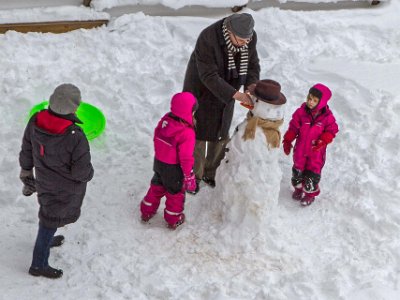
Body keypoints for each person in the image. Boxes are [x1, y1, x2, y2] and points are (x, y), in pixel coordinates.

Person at [19, 84, 94, 278]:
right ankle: (38, 264)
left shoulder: (36, 120)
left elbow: (27, 147)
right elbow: (81, 171)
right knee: (49, 220)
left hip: (44, 182)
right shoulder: (75, 136)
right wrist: (89, 174)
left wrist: (26, 170)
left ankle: (46, 239)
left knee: (48, 213)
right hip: (66, 188)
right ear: (74, 108)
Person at [183, 13, 260, 194]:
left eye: (246, 40)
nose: (243, 44)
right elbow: (208, 75)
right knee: (199, 132)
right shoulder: (208, 37)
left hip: (228, 87)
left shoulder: (249, 38)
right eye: (240, 40)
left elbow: (252, 64)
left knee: (221, 130)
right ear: (229, 31)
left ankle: (212, 172)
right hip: (201, 87)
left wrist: (250, 87)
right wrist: (236, 95)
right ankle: (195, 174)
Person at [140, 92, 198, 229]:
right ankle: (173, 218)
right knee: (175, 194)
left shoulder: (166, 120)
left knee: (157, 187)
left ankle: (146, 211)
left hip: (159, 162)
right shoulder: (187, 132)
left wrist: (162, 154)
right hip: (174, 169)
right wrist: (189, 175)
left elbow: (157, 136)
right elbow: (185, 157)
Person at [282, 83, 339, 206]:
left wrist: (323, 140)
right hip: (300, 150)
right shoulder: (300, 113)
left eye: (314, 100)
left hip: (316, 153)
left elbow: (332, 130)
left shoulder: (327, 117)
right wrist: (287, 140)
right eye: (309, 98)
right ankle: (298, 189)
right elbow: (293, 128)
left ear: (322, 102)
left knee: (311, 176)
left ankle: (309, 195)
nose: (310, 102)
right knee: (297, 171)